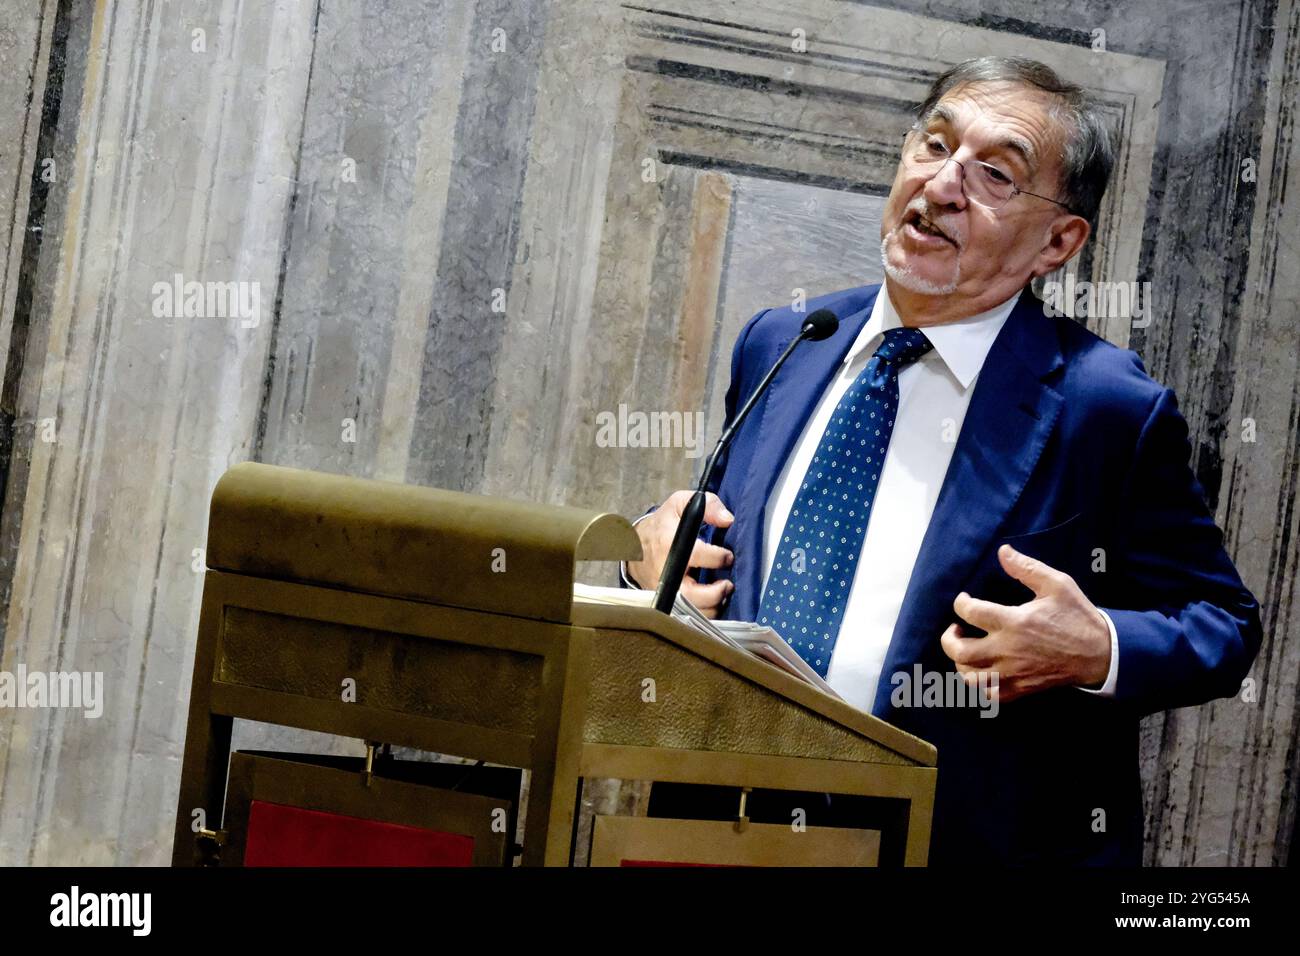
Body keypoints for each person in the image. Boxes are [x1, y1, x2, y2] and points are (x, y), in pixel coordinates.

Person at [621, 56, 1262, 865]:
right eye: (934, 144)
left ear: (1058, 241)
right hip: (721, 827)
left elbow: (1226, 627)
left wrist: (1098, 645)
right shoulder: (786, 339)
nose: (945, 182)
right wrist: (650, 553)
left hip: (959, 844)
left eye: (995, 174)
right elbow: (708, 535)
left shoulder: (1106, 408)